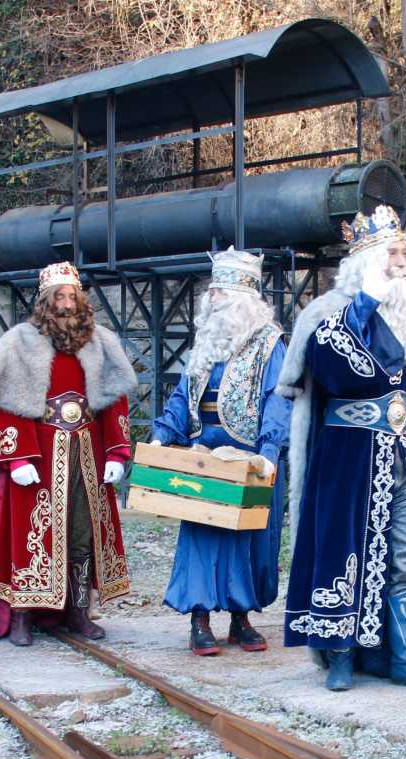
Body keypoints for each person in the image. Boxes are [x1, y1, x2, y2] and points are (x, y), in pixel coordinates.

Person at [278, 206, 406, 692]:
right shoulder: (329, 317)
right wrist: (366, 304)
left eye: (403, 252)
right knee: (344, 553)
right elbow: (341, 372)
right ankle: (341, 657)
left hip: (403, 456)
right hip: (347, 458)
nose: (399, 262)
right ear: (366, 264)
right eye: (389, 254)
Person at [0, 262, 136, 646]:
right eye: (58, 297)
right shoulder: (19, 342)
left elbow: (114, 400)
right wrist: (18, 457)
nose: (66, 304)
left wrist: (116, 451)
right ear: (45, 302)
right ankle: (22, 616)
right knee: (30, 534)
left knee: (81, 534)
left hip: (88, 451)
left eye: (72, 296)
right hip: (39, 452)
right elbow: (7, 402)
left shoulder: (99, 341)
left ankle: (76, 610)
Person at [146, 248, 291, 654]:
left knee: (247, 538)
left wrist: (269, 451)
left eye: (221, 292)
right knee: (201, 535)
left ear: (244, 297)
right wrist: (163, 434)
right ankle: (200, 619)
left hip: (250, 456)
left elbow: (278, 399)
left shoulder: (269, 344)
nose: (213, 299)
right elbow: (181, 395)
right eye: (212, 292)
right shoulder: (204, 343)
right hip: (203, 456)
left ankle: (240, 618)